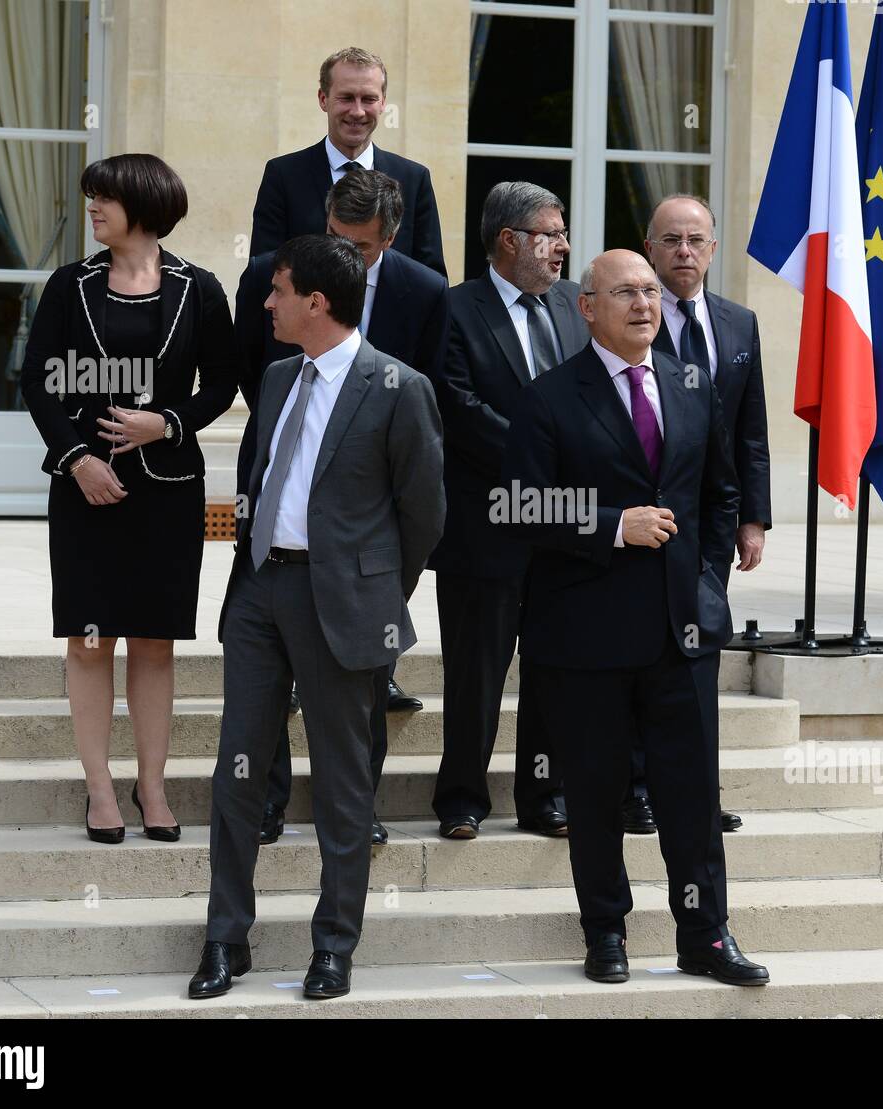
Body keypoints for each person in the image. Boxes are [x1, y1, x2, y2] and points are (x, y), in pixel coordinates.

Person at [499, 249, 769, 987]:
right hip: (585, 635)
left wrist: (709, 579)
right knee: (595, 792)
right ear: (586, 307)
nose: (645, 303)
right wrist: (615, 524)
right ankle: (606, 931)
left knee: (691, 793)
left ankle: (706, 934)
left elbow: (721, 492)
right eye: (625, 292)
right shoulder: (549, 396)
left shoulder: (691, 383)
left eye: (651, 291)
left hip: (682, 633)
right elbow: (516, 504)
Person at [189, 234, 443, 1001]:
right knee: (237, 772)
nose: (266, 303)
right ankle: (224, 939)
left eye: (278, 290)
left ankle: (333, 947)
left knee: (341, 789)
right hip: (261, 595)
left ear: (317, 303)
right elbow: (259, 480)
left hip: (342, 607)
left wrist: (371, 593)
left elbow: (424, 516)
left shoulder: (399, 387)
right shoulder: (272, 378)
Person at [19, 153, 237, 846]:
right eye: (92, 198)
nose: (92, 208)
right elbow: (39, 383)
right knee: (89, 642)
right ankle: (100, 789)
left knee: (154, 640)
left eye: (103, 198)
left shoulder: (198, 289)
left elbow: (221, 384)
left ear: (142, 205)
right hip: (85, 491)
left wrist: (165, 423)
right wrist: (76, 458)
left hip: (168, 491)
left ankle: (151, 784)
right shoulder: (69, 285)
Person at [236, 169, 451, 847]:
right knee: (260, 695)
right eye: (334, 236)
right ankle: (265, 803)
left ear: (388, 240)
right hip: (282, 482)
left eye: (357, 248)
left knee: (363, 689)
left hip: (367, 512)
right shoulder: (277, 280)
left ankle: (358, 808)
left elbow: (424, 472)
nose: (342, 253)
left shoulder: (423, 292)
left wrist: (386, 573)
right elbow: (257, 366)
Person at [427, 182, 588, 840]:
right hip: (483, 526)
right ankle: (462, 796)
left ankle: (543, 794)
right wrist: (540, 458)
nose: (562, 245)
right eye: (549, 233)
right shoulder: (455, 309)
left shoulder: (576, 308)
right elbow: (456, 406)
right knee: (477, 671)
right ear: (507, 241)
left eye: (562, 232)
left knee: (552, 668)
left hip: (562, 528)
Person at [623, 192, 774, 836]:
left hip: (709, 528)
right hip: (639, 523)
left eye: (696, 241)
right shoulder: (624, 317)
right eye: (671, 241)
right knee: (637, 658)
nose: (684, 253)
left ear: (712, 250)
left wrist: (752, 517)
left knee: (696, 663)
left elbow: (751, 429)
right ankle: (633, 789)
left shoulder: (739, 324)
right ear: (649, 247)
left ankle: (693, 796)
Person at [249, 46, 445, 275]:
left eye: (369, 99)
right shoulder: (283, 175)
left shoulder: (413, 180)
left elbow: (431, 278)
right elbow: (263, 271)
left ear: (383, 103)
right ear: (323, 99)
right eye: (347, 98)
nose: (358, 111)